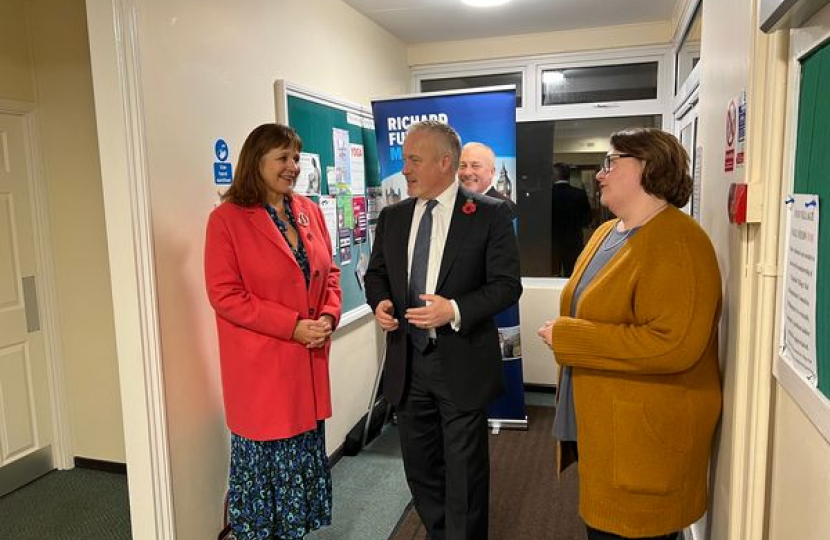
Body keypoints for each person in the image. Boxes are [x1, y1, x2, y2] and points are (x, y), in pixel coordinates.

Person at [537, 128, 722, 540]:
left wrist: (570, 339)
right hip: (608, 434)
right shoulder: (606, 233)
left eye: (611, 162)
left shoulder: (679, 242)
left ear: (648, 167)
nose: (600, 174)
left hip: (644, 448)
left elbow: (673, 345)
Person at [365, 121, 522, 540]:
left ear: (444, 162)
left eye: (414, 160)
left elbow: (507, 285)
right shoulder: (394, 217)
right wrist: (380, 301)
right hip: (408, 362)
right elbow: (377, 274)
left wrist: (452, 309)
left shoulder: (489, 214)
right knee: (421, 468)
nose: (405, 169)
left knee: (465, 470)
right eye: (404, 159)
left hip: (461, 361)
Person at [204, 123, 341, 540]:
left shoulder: (308, 210)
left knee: (300, 475)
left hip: (308, 367)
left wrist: (328, 317)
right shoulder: (227, 220)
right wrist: (291, 326)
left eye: (295, 158)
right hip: (262, 373)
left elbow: (330, 274)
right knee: (264, 481)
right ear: (256, 162)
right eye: (283, 158)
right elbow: (225, 295)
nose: (293, 166)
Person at [550, 162, 592, 276]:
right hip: (574, 240)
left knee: (552, 275)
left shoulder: (548, 195)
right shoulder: (579, 194)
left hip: (552, 240)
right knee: (572, 273)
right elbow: (587, 219)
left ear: (554, 175)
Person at [458, 141, 518, 218]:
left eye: (475, 166)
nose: (467, 173)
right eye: (462, 166)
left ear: (492, 172)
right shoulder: (452, 203)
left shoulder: (505, 207)